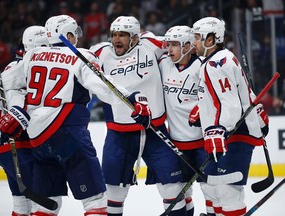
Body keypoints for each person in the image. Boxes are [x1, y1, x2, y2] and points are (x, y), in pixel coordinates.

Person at [0, 15, 151, 216]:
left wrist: (17, 109)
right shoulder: (80, 56)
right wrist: (132, 100)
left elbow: (8, 83)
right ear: (68, 35)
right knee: (95, 201)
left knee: (46, 204)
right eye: (74, 33)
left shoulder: (32, 55)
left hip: (38, 139)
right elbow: (103, 86)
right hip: (68, 135)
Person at [90, 16, 187, 216]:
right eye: (114, 34)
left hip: (155, 132)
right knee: (114, 193)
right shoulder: (100, 52)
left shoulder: (150, 44)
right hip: (118, 135)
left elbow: (183, 45)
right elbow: (75, 62)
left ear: (135, 37)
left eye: (123, 35)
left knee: (173, 188)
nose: (117, 39)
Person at [192, 17, 268, 215]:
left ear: (210, 40)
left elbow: (231, 105)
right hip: (229, 134)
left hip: (234, 135)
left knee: (228, 192)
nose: (194, 42)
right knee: (215, 190)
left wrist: (218, 130)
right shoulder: (222, 57)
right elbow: (238, 94)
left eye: (198, 37)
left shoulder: (214, 65)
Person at [0, 25, 49, 216]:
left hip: (8, 142)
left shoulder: (15, 66)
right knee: (42, 199)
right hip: (14, 143)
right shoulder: (22, 68)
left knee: (21, 202)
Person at [159, 25, 207, 216]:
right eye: (168, 44)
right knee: (182, 191)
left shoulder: (203, 66)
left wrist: (203, 108)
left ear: (187, 46)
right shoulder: (164, 65)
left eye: (174, 45)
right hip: (176, 143)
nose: (169, 49)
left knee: (211, 190)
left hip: (202, 142)